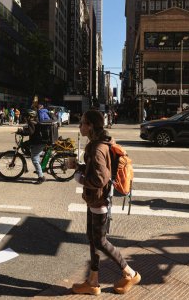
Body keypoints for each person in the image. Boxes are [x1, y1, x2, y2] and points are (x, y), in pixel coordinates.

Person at [72, 109, 141, 295]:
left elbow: (100, 179)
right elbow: (97, 170)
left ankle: (130, 273)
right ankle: (93, 282)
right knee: (92, 238)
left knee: (100, 241)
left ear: (91, 126)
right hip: (95, 199)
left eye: (82, 123)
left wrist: (79, 178)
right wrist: (78, 167)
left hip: (99, 200)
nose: (79, 126)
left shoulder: (97, 148)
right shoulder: (98, 143)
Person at [17, 109, 46, 184]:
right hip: (39, 141)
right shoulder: (35, 121)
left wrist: (21, 132)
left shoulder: (31, 122)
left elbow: (30, 132)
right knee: (27, 146)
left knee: (34, 159)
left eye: (26, 116)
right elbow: (32, 130)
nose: (25, 118)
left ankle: (41, 177)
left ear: (30, 116)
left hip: (37, 143)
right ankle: (39, 169)